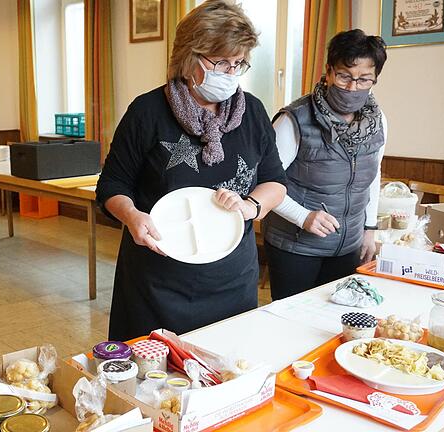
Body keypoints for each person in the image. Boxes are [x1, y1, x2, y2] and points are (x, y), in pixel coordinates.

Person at [96, 0, 287, 341]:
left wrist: (251, 207)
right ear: (189, 56)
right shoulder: (148, 112)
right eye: (221, 63)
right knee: (153, 379)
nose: (230, 73)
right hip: (157, 281)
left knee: (225, 371)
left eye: (238, 64)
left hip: (232, 280)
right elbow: (112, 184)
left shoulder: (253, 112)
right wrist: (131, 216)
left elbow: (275, 181)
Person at [263, 29, 388, 300]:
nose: (353, 87)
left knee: (334, 319)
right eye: (344, 76)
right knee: (292, 323)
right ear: (329, 72)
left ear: (374, 79)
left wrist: (369, 230)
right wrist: (303, 217)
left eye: (364, 79)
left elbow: (372, 176)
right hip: (296, 246)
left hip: (348, 244)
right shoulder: (293, 120)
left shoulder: (377, 122)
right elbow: (264, 183)